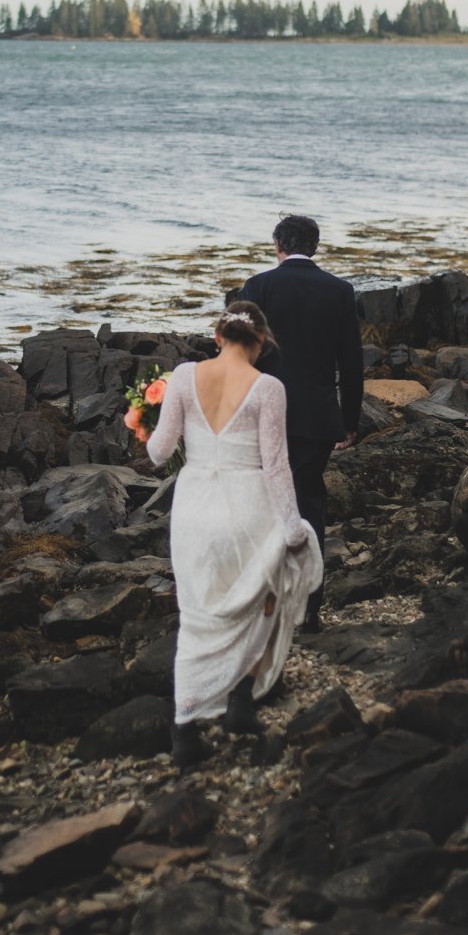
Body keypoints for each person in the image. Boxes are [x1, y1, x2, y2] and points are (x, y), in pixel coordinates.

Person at [146, 302, 323, 770]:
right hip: (248, 506)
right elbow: (277, 465)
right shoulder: (269, 387)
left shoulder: (183, 377)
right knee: (258, 597)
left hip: (196, 506)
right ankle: (240, 704)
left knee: (199, 609)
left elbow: (159, 453)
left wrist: (142, 417)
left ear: (218, 335)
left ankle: (184, 730)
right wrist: (292, 527)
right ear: (261, 342)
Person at [239, 214, 363, 633]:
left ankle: (268, 604)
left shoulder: (258, 287)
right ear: (315, 247)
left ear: (278, 243)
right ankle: (310, 607)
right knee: (309, 505)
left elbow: (237, 357)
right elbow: (351, 363)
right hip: (318, 417)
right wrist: (349, 420)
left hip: (263, 416)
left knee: (264, 507)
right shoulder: (340, 291)